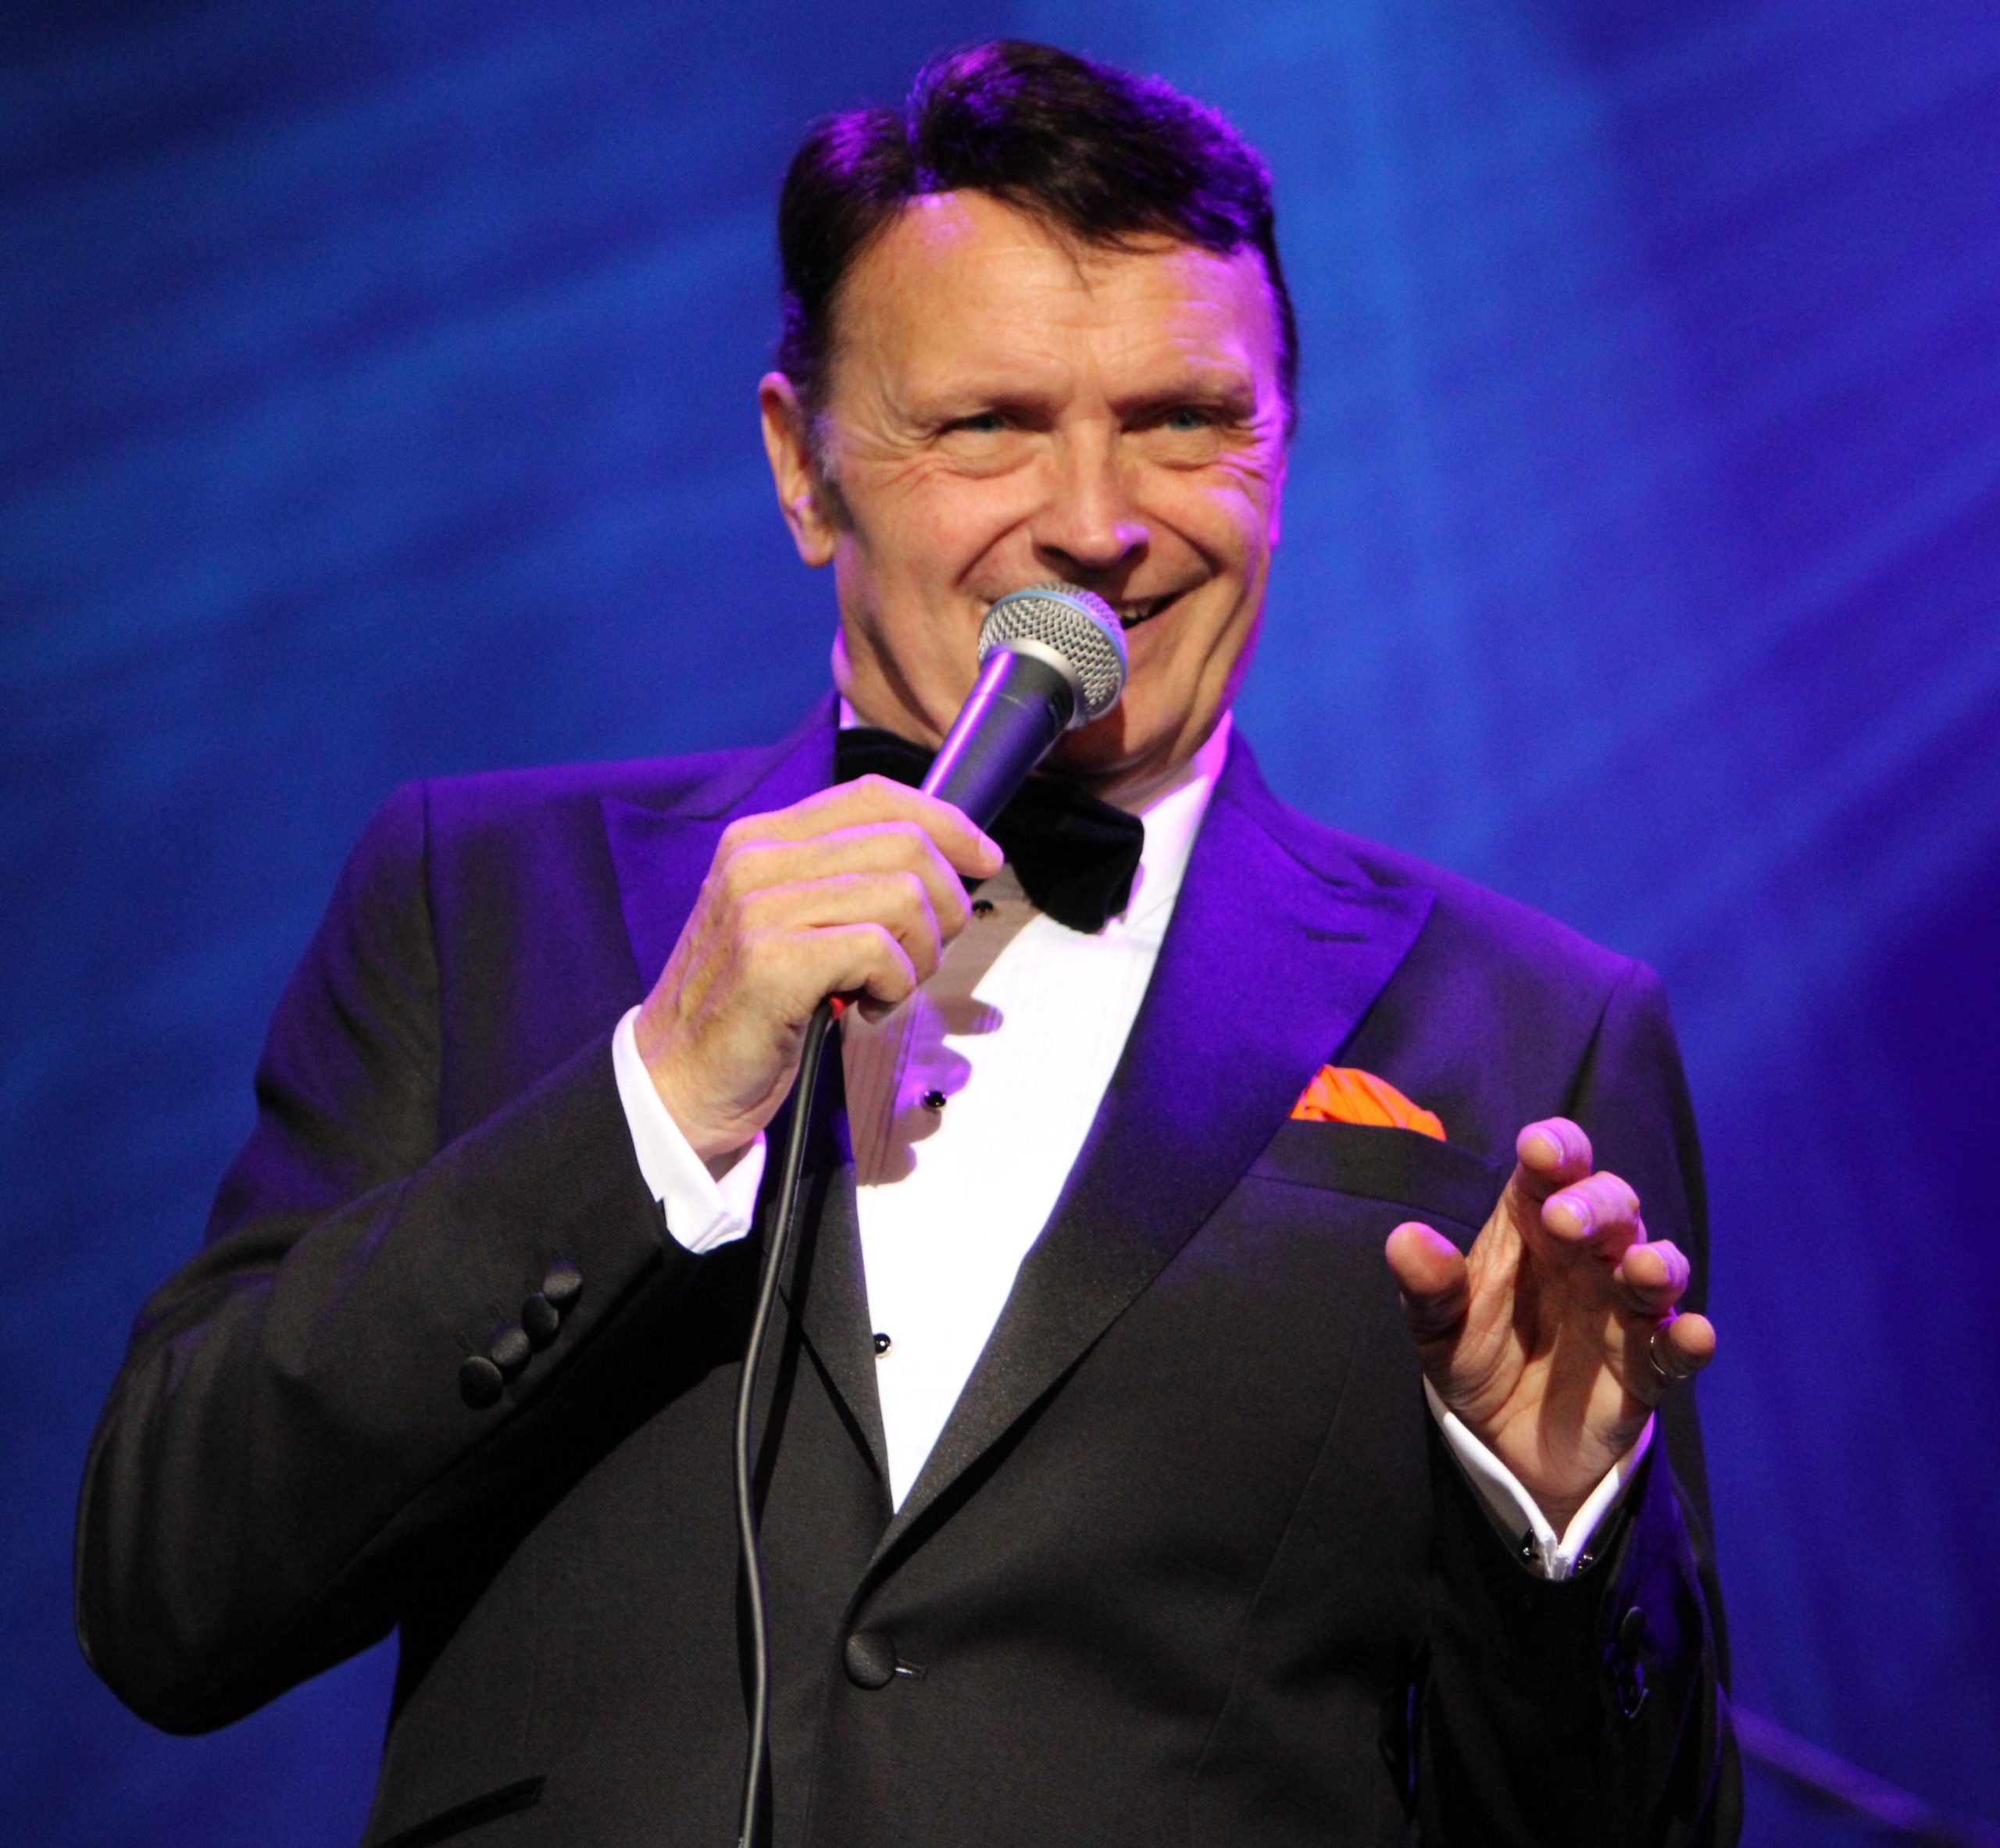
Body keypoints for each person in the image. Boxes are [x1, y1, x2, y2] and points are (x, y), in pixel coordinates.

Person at [77, 40, 1738, 1848]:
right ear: (802, 470)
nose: (1095, 525)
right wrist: (658, 1097)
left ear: (1286, 449)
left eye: (1184, 420)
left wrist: (1549, 1523)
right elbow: (174, 1591)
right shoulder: (473, 897)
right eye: (985, 425)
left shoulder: (1529, 1032)